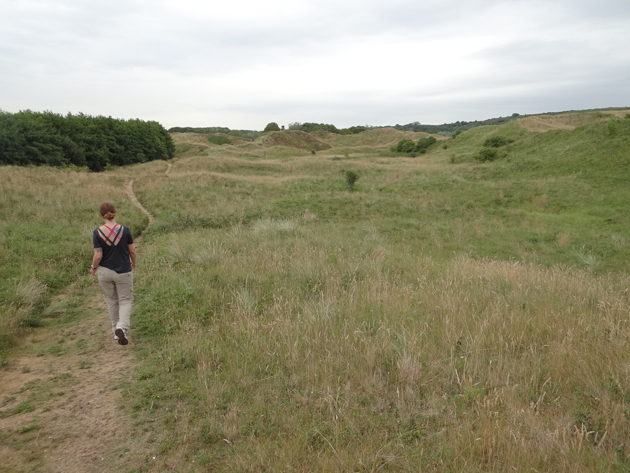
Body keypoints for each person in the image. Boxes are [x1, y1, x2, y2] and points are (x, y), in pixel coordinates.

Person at [89, 202, 136, 345]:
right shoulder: (125, 230)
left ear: (101, 216)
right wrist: (133, 262)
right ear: (115, 213)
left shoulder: (97, 232)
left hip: (105, 272)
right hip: (123, 271)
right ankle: (122, 327)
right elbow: (132, 250)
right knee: (125, 300)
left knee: (111, 301)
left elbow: (98, 255)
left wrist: (93, 267)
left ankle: (116, 331)